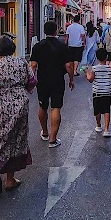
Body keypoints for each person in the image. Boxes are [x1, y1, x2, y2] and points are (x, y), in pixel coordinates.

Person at [0, 35, 35, 195]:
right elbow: (31, 83)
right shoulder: (22, 62)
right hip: (19, 105)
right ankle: (10, 179)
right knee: (16, 140)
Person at [31, 20, 75, 148]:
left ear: (44, 31)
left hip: (42, 80)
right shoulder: (62, 46)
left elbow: (33, 65)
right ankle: (52, 139)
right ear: (56, 31)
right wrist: (71, 80)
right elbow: (69, 65)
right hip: (57, 79)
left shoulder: (37, 46)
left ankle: (44, 132)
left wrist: (31, 81)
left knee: (42, 105)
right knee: (56, 107)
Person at [86, 47, 111, 137]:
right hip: (107, 92)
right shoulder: (110, 68)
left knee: (97, 110)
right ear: (106, 57)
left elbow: (90, 79)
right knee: (107, 110)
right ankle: (106, 129)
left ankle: (98, 125)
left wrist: (87, 72)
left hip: (97, 92)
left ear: (97, 58)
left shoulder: (94, 68)